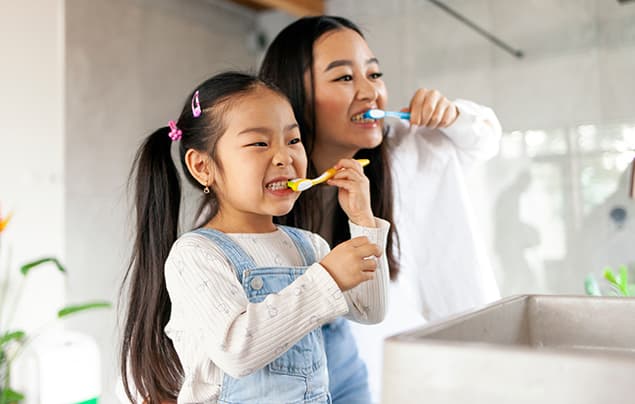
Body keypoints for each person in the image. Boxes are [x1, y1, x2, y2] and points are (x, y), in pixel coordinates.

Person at [259, 15, 502, 402]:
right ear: (293, 95)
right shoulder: (267, 190)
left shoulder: (410, 146)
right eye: (344, 77)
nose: (370, 91)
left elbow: (486, 139)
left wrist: (454, 115)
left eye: (374, 75)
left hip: (444, 372)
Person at [119, 71, 390, 403]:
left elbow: (370, 310)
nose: (284, 157)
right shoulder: (196, 254)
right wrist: (327, 278)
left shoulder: (310, 246)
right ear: (203, 167)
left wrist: (362, 220)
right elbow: (238, 351)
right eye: (259, 143)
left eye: (293, 140)